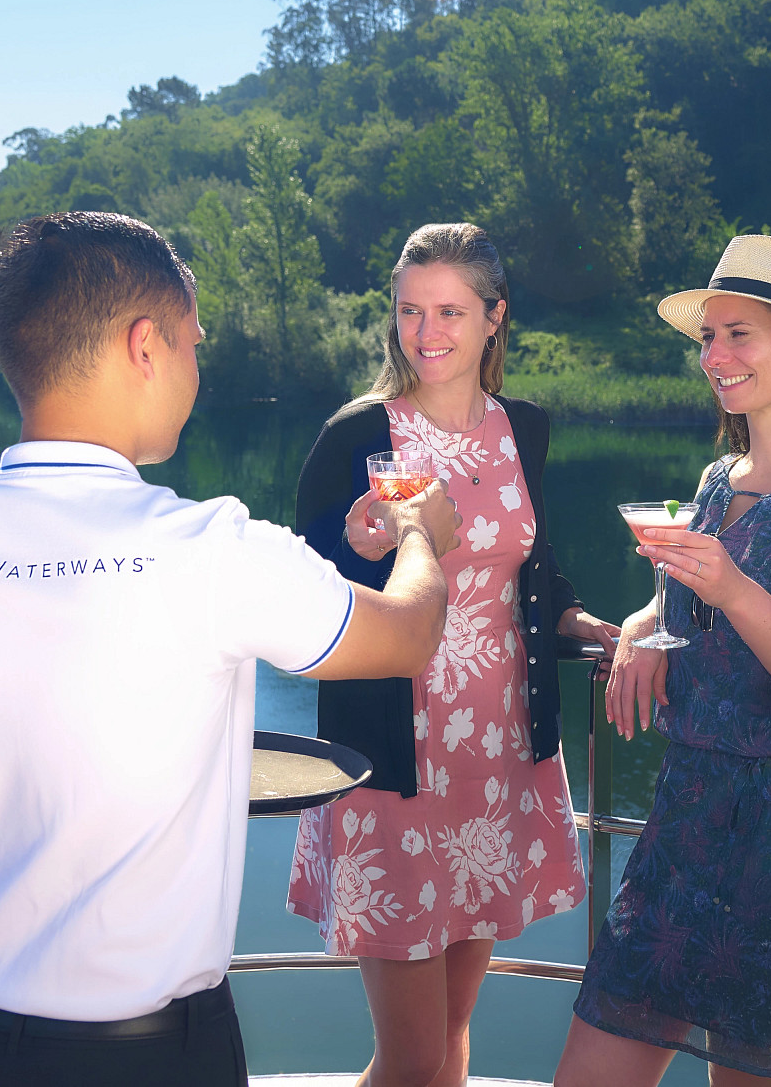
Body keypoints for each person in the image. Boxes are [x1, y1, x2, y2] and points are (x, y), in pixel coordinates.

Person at [0, 211, 459, 1087]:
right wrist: (421, 532)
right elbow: (408, 637)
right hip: (151, 1055)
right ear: (146, 346)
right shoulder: (214, 550)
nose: (196, 369)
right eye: (193, 343)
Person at [556, 235, 771, 1087]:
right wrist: (643, 621)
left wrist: (736, 589)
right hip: (685, 818)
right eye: (708, 337)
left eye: (739, 333)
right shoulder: (719, 480)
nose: (715, 355)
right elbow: (688, 596)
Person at [287, 222, 619, 1087]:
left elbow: (530, 563)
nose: (426, 333)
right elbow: (304, 593)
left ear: (494, 316)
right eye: (410, 311)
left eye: (449, 312)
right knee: (412, 1056)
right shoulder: (357, 434)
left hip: (496, 755)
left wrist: (578, 619)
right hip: (395, 759)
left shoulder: (524, 429)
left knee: (453, 1034)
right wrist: (360, 548)